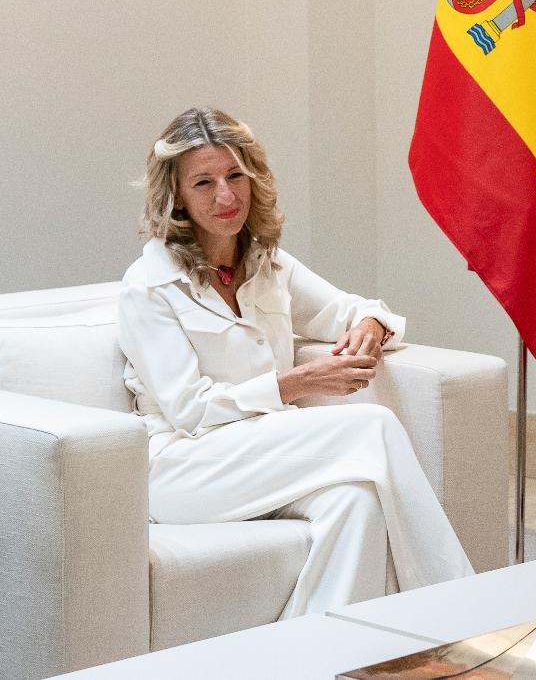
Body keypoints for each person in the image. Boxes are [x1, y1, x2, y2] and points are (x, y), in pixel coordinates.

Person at [118, 107, 473, 618]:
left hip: (266, 454)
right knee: (371, 427)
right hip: (182, 469)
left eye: (235, 175)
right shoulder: (148, 286)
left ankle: (311, 660)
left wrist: (370, 328)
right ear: (176, 197)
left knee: (357, 504)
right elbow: (190, 412)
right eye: (204, 183)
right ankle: (463, 614)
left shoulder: (267, 262)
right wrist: (296, 382)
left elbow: (359, 309)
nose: (226, 196)